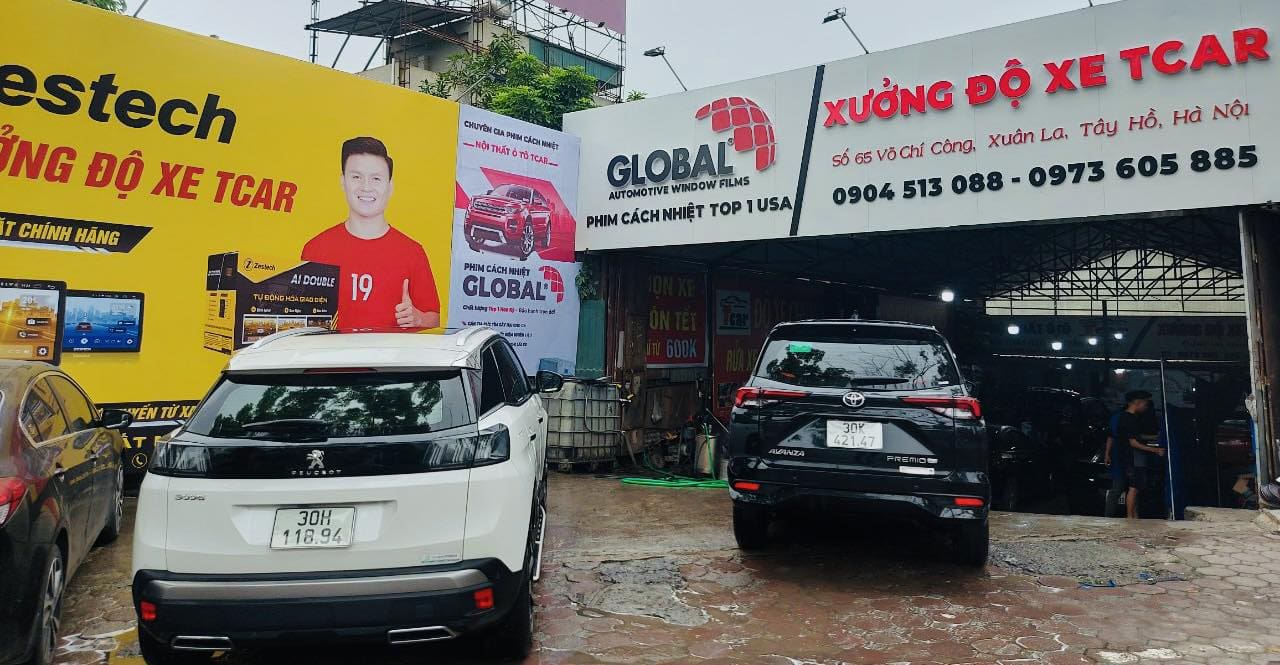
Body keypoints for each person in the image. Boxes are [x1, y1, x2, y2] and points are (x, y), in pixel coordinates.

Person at [301, 136, 440, 330]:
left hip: (390, 351)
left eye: (376, 179)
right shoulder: (316, 249)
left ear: (390, 186)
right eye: (356, 177)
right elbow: (301, 319)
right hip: (330, 351)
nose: (366, 187)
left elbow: (434, 318)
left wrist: (418, 319)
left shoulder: (413, 252)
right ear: (343, 182)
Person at [1103, 390, 1164, 519]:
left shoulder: (1129, 418)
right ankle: (1127, 517)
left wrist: (1154, 437)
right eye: (1145, 404)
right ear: (1137, 402)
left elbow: (1134, 436)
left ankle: (1133, 516)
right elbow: (1131, 441)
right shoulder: (1125, 418)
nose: (1146, 407)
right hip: (1129, 458)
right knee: (1129, 489)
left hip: (1125, 458)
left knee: (1133, 489)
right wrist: (1155, 450)